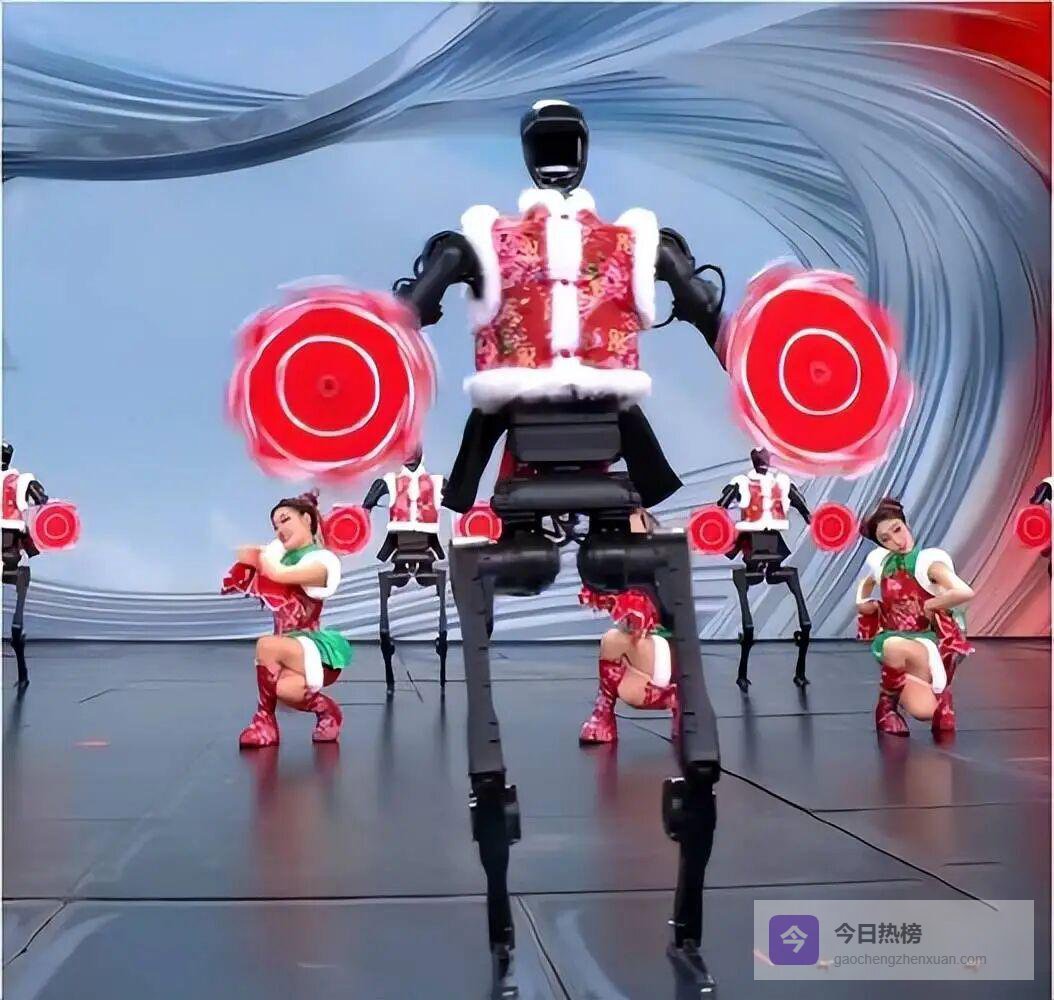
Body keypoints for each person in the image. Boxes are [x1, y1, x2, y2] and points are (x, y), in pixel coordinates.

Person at [227, 492, 352, 748]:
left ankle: (264, 722)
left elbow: (283, 575)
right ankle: (328, 711)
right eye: (276, 526)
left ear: (307, 519)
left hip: (313, 649)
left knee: (265, 645)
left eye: (285, 520)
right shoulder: (280, 558)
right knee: (285, 691)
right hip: (286, 649)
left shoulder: (322, 560)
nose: (280, 530)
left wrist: (262, 559)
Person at [855, 497, 974, 736]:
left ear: (906, 524)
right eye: (885, 539)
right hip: (894, 642)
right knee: (893, 645)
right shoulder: (884, 564)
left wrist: (933, 603)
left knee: (925, 711)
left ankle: (937, 698)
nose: (897, 541)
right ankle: (886, 708)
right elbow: (865, 584)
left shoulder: (927, 563)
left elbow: (964, 592)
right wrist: (863, 603)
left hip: (926, 642)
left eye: (897, 530)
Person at [579, 508, 678, 743]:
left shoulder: (664, 569)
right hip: (634, 663)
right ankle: (604, 713)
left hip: (662, 654)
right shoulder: (618, 578)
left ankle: (681, 707)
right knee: (612, 639)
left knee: (634, 641)